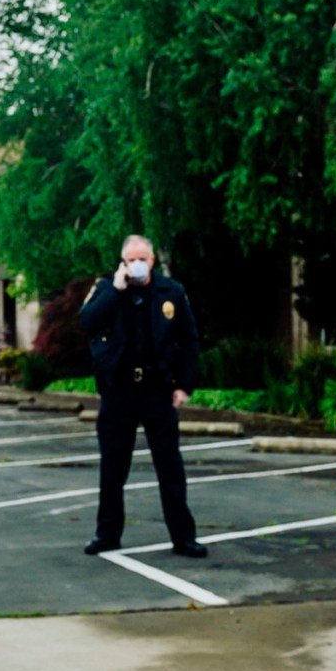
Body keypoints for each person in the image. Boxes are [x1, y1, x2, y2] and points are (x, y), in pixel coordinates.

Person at [77, 236, 206, 559]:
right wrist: (116, 291)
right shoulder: (107, 289)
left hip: (158, 390)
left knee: (170, 467)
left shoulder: (170, 292)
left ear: (152, 261)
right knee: (113, 469)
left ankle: (183, 537)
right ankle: (106, 534)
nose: (137, 264)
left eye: (142, 259)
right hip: (119, 390)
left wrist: (184, 386)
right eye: (130, 259)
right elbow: (87, 322)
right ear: (122, 262)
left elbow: (189, 340)